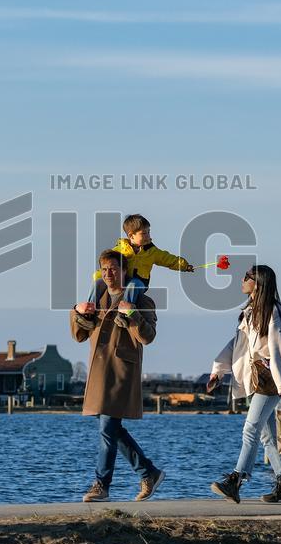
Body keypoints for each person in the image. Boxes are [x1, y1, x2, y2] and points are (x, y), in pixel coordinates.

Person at [72, 248, 165, 502]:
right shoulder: (97, 295)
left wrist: (132, 315)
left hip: (122, 372)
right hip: (99, 372)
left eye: (113, 268)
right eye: (104, 269)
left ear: (125, 271)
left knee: (107, 428)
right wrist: (78, 312)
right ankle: (149, 473)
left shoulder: (142, 301)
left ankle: (101, 485)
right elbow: (79, 335)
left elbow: (148, 336)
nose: (108, 273)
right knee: (111, 429)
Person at [207, 264, 281, 504]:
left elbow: (279, 349)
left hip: (270, 380)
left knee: (250, 428)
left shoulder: (273, 313)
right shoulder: (251, 311)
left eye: (246, 277)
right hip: (258, 378)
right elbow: (237, 344)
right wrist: (218, 370)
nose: (241, 279)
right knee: (266, 436)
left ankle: (235, 480)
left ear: (257, 284)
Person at [89, 213, 194, 319]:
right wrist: (98, 276)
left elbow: (167, 259)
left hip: (139, 282)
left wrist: (184, 266)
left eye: (148, 232)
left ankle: (123, 313)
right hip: (119, 281)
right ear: (131, 236)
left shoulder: (151, 251)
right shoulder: (119, 250)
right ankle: (89, 311)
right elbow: (106, 264)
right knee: (98, 283)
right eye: (144, 233)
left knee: (133, 285)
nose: (148, 236)